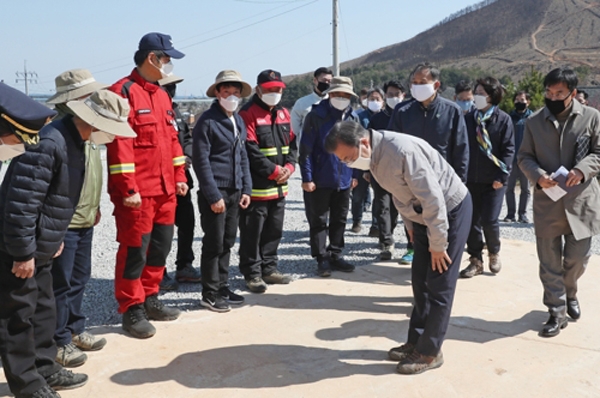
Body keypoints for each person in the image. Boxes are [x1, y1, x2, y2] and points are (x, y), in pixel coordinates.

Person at [0, 84, 135, 398]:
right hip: (19, 249)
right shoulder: (50, 142)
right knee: (18, 317)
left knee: (44, 311)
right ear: (93, 121)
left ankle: (45, 368)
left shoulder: (75, 140)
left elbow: (57, 200)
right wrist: (23, 253)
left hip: (43, 246)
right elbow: (22, 203)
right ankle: (27, 384)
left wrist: (55, 238)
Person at [325, 121, 472, 375]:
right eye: (343, 160)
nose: (348, 164)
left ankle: (430, 352)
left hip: (449, 211)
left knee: (439, 283)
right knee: (420, 282)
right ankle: (416, 342)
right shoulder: (374, 156)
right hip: (422, 216)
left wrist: (438, 244)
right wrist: (411, 225)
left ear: (363, 143)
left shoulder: (401, 151)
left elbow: (433, 198)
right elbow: (399, 193)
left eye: (348, 157)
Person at [107, 32, 188, 339]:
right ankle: (131, 308)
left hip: (166, 190)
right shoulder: (122, 92)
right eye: (167, 58)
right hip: (138, 195)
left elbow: (172, 140)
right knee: (133, 251)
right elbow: (119, 147)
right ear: (152, 58)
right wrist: (128, 189)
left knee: (159, 248)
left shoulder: (162, 94)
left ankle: (150, 297)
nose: (169, 64)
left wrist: (180, 177)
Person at [518, 67, 600, 338]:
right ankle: (556, 311)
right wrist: (539, 177)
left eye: (559, 93)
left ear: (573, 93)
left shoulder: (591, 118)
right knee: (549, 261)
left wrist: (582, 169)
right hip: (548, 202)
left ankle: (570, 293)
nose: (552, 97)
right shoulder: (533, 122)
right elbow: (524, 157)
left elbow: (599, 152)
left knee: (577, 259)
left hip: (581, 203)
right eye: (548, 92)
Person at [46, 69, 109, 368]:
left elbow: (92, 173)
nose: (93, 100)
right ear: (72, 100)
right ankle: (58, 341)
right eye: (88, 95)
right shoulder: (57, 131)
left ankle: (75, 329)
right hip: (65, 222)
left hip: (86, 216)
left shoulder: (89, 127)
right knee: (60, 282)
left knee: (80, 278)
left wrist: (95, 205)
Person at [388, 62, 469, 266]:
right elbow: (392, 146)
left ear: (436, 84)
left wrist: (460, 182)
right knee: (417, 223)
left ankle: (442, 266)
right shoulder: (402, 111)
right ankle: (414, 253)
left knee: (442, 226)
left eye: (422, 82)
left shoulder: (452, 111)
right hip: (412, 181)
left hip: (443, 183)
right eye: (414, 82)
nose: (417, 86)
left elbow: (460, 150)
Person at [193, 70, 252, 312]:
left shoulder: (237, 120)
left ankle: (222, 285)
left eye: (236, 93)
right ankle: (209, 292)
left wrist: (246, 188)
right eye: (226, 92)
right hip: (216, 191)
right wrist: (213, 195)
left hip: (235, 190)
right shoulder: (207, 121)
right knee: (214, 243)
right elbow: (201, 161)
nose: (231, 96)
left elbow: (243, 156)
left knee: (227, 241)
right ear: (217, 93)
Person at [238, 69, 297, 293]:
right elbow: (250, 150)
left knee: (274, 230)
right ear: (258, 89)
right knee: (253, 233)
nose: (275, 93)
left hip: (280, 187)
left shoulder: (284, 113)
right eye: (270, 89)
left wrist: (290, 167)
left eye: (278, 89)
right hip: (257, 188)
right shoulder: (248, 114)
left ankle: (269, 269)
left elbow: (292, 145)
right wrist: (273, 171)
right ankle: (252, 273)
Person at [299, 76, 359, 277]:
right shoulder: (315, 116)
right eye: (338, 94)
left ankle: (336, 253)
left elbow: (359, 149)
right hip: (320, 178)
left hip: (344, 178)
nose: (341, 98)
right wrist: (307, 178)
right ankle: (321, 258)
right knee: (318, 220)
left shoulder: (353, 118)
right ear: (329, 94)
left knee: (340, 218)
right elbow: (305, 149)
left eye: (345, 95)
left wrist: (355, 174)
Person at [459, 77, 515, 279]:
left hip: (494, 180)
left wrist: (502, 175)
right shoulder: (468, 119)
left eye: (482, 93)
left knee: (490, 220)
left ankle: (494, 252)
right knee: (471, 221)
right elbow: (460, 147)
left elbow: (509, 150)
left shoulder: (503, 119)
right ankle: (476, 260)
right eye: (477, 93)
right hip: (470, 179)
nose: (477, 97)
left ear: (492, 96)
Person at [158, 75, 202, 291]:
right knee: (161, 231)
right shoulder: (153, 112)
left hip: (183, 180)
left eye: (173, 86)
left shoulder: (175, 113)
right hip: (161, 183)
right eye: (167, 86)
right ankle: (158, 272)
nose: (171, 89)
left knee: (186, 225)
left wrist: (187, 156)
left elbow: (187, 140)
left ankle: (184, 265)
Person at [367, 80, 405, 259]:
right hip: (379, 169)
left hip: (402, 172)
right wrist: (366, 169)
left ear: (403, 96)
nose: (393, 98)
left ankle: (393, 233)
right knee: (382, 206)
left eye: (396, 95)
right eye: (389, 95)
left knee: (397, 207)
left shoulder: (408, 117)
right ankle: (386, 242)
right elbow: (367, 146)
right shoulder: (376, 119)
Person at [351, 88, 384, 235]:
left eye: (377, 99)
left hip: (380, 162)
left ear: (382, 101)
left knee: (379, 196)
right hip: (361, 161)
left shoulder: (386, 117)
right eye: (371, 99)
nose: (374, 101)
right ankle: (357, 221)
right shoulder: (359, 116)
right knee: (358, 195)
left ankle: (375, 225)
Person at [503, 90, 533, 223]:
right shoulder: (509, 118)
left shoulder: (532, 119)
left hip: (526, 159)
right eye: (517, 100)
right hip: (511, 158)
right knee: (509, 188)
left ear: (528, 102)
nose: (519, 102)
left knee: (525, 189)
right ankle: (510, 214)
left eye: (522, 100)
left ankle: (522, 214)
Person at [290, 67, 332, 145]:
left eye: (329, 81)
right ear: (315, 80)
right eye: (324, 80)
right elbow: (295, 130)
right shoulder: (301, 103)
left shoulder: (333, 102)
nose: (326, 83)